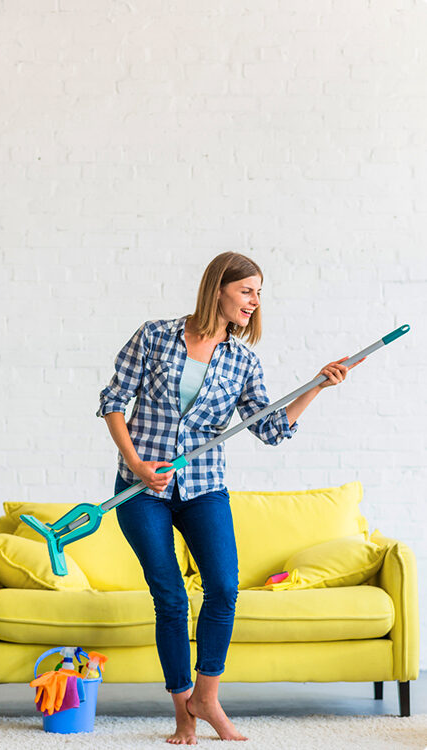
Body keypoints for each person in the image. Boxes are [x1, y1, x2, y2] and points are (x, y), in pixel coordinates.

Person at [96, 251, 365, 745]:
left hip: (204, 487)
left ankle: (207, 698)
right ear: (218, 288)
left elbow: (270, 428)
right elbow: (113, 402)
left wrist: (318, 387)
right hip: (141, 488)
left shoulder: (241, 359)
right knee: (171, 598)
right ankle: (183, 715)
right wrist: (136, 464)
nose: (254, 301)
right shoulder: (154, 336)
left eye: (259, 293)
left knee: (223, 587)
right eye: (247, 290)